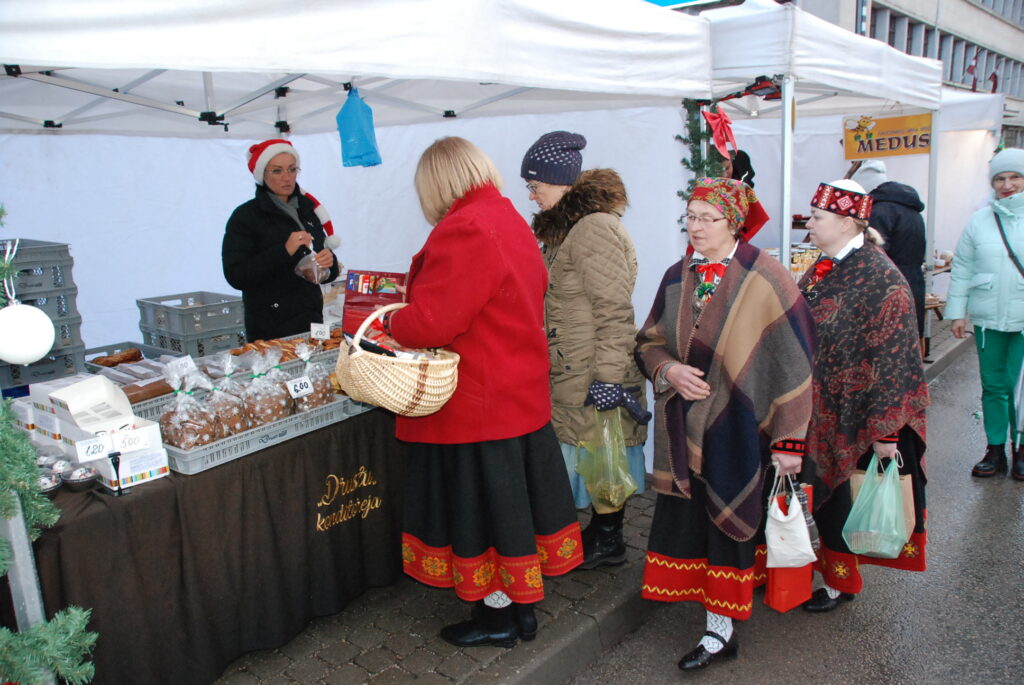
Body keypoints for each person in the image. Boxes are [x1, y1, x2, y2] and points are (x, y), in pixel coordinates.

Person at [382, 137, 584, 648]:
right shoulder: (506, 216)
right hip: (513, 394)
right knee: (510, 515)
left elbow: (434, 320)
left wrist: (386, 324)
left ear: (437, 181)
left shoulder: (467, 227)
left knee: (483, 520)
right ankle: (521, 612)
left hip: (477, 403)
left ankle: (497, 618)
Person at [635, 178, 815, 672]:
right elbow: (647, 340)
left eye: (706, 218)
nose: (694, 227)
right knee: (693, 524)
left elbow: (797, 361)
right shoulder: (676, 276)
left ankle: (720, 632)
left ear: (732, 222)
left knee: (727, 529)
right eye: (689, 217)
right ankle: (717, 622)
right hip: (682, 430)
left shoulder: (767, 276)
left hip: (742, 428)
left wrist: (789, 440)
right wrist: (666, 370)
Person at [799, 179, 930, 613]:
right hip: (823, 410)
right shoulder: (826, 265)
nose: (809, 224)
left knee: (842, 503)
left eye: (817, 217)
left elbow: (897, 358)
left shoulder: (881, 277)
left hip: (857, 416)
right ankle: (823, 574)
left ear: (848, 221)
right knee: (825, 499)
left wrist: (888, 432)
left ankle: (840, 583)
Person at [521, 131, 650, 570]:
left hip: (595, 368)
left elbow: (615, 310)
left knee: (601, 456)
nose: (532, 195)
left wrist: (610, 378)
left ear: (561, 182)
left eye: (536, 185)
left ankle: (610, 539)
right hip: (573, 365)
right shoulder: (569, 229)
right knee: (591, 455)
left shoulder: (593, 229)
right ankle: (599, 533)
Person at [947, 148, 1024, 480]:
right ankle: (995, 449)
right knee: (993, 385)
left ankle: (1020, 448)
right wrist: (956, 313)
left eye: (1014, 177)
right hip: (987, 319)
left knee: (1020, 389)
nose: (1007, 185)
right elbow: (962, 268)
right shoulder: (979, 220)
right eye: (1000, 178)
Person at [223, 139, 340, 341]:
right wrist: (284, 251)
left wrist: (330, 265)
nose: (287, 178)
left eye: (292, 169)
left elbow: (321, 268)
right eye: (277, 171)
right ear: (262, 175)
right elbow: (236, 275)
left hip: (311, 322)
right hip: (270, 329)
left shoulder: (308, 211)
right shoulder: (246, 216)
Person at [851, 159, 927, 338]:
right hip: (913, 280)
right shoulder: (910, 207)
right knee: (908, 340)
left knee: (891, 341)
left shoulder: (879, 212)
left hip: (889, 288)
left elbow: (872, 256)